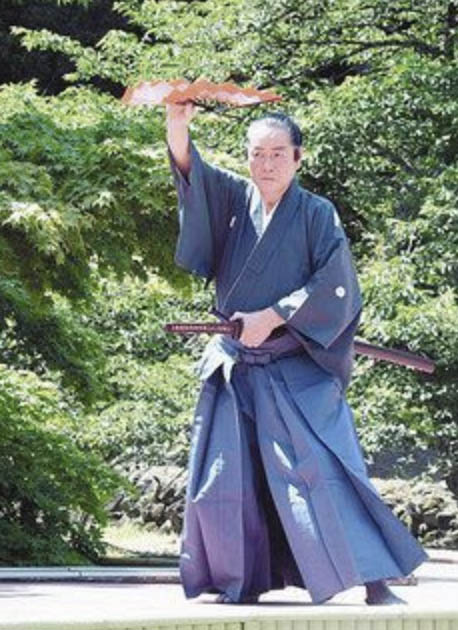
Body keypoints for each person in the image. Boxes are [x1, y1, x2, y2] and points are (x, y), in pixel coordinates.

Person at [166, 103, 427, 606]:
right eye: (257, 153)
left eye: (278, 153)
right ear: (247, 157)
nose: (266, 164)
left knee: (326, 471)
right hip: (236, 365)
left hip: (296, 365)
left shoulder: (316, 214)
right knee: (226, 480)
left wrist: (274, 315)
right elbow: (191, 173)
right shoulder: (233, 199)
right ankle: (239, 582)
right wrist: (178, 125)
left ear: (298, 158)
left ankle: (374, 580)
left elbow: (336, 284)